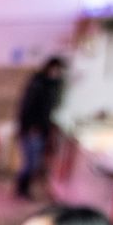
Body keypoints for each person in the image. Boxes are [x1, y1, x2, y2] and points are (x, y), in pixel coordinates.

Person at [15, 56, 67, 200]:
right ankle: (21, 190)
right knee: (31, 163)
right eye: (58, 70)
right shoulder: (38, 85)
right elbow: (28, 108)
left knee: (33, 162)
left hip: (39, 129)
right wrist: (31, 126)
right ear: (51, 68)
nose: (59, 73)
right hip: (33, 129)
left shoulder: (50, 85)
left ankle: (22, 189)